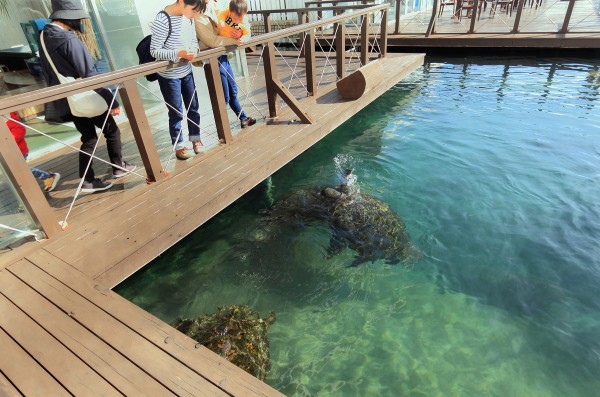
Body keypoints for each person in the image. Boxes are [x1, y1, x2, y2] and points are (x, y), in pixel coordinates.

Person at [39, 0, 136, 194]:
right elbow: (89, 74)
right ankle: (118, 167)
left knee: (89, 137)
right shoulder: (69, 40)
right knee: (112, 131)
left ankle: (88, 180)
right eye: (80, 18)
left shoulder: (44, 36)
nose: (82, 22)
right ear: (70, 17)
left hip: (66, 98)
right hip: (83, 96)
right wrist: (111, 101)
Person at [150, 0, 204, 160]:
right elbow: (155, 51)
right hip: (169, 76)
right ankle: (179, 146)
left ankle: (196, 139)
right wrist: (178, 54)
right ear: (181, 2)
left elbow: (194, 40)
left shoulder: (188, 18)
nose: (194, 15)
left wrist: (194, 50)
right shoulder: (162, 19)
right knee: (176, 113)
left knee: (193, 108)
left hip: (186, 71)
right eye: (193, 10)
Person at [195, 0, 256, 129]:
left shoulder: (214, 6)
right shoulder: (198, 15)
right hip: (212, 57)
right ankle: (223, 130)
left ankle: (243, 118)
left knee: (232, 91)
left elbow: (234, 22)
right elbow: (211, 40)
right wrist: (234, 40)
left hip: (222, 55)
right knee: (224, 96)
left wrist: (239, 33)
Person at [6, 112, 61, 192]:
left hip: (19, 152)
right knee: (17, 170)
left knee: (22, 169)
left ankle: (48, 177)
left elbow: (16, 136)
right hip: (10, 153)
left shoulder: (13, 122)